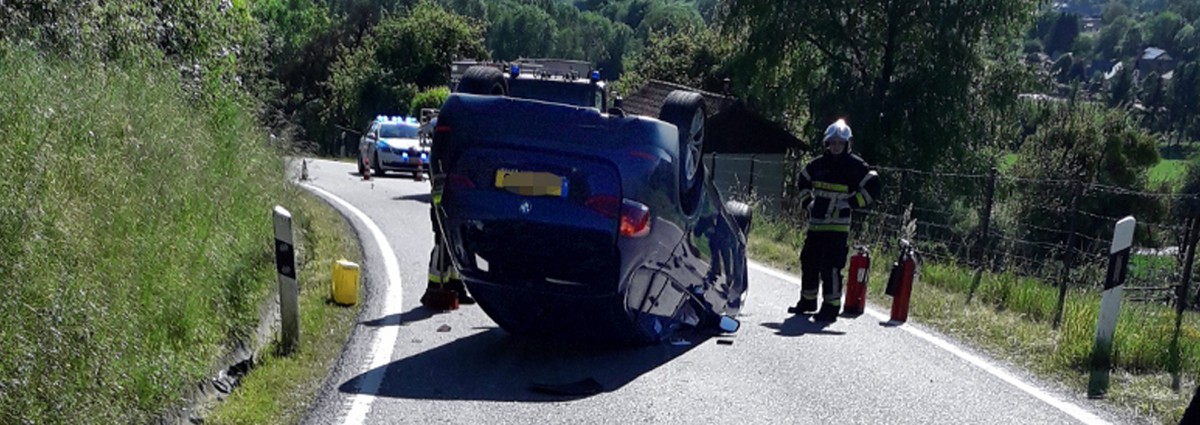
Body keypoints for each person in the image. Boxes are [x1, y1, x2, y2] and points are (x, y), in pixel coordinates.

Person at [787, 119, 880, 322]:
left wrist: (853, 202)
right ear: (827, 143)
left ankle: (830, 307)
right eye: (832, 142)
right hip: (816, 225)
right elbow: (803, 179)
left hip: (837, 228)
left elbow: (873, 184)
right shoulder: (818, 164)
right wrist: (807, 202)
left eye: (840, 143)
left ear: (847, 144)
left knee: (831, 266)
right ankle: (807, 301)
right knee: (809, 261)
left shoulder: (854, 166)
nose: (836, 146)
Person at [421, 112, 474, 309]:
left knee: (457, 243)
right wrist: (439, 198)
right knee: (441, 242)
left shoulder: (456, 145)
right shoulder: (440, 152)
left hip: (457, 197)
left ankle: (456, 286)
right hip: (442, 199)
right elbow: (436, 176)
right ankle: (434, 285)